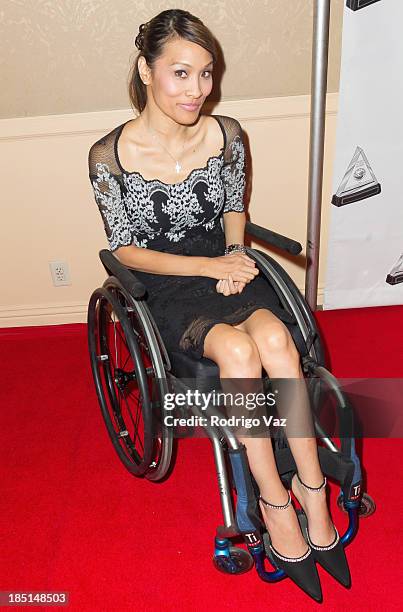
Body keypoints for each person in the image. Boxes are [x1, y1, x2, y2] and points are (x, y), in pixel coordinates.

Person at [88, 9, 350, 601]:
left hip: (225, 267)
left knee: (279, 341)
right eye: (180, 73)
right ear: (145, 70)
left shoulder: (227, 133)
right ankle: (274, 504)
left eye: (205, 74)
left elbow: (235, 209)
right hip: (167, 284)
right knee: (235, 348)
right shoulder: (109, 155)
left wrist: (233, 255)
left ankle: (313, 490)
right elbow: (126, 249)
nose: (196, 90)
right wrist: (211, 267)